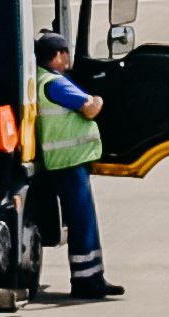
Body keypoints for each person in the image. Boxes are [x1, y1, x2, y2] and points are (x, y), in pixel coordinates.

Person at [29, 34, 117, 302]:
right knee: (82, 221)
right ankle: (86, 280)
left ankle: (93, 276)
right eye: (66, 52)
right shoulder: (55, 83)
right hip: (69, 162)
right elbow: (89, 108)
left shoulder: (41, 80)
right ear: (57, 56)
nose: (69, 57)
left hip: (61, 161)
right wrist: (98, 99)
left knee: (81, 221)